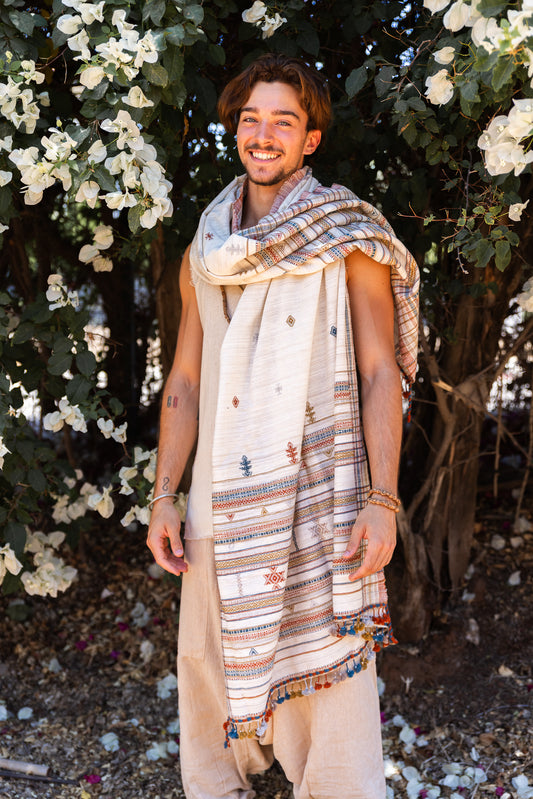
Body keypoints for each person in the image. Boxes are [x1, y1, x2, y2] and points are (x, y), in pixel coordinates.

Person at [147, 54, 419, 799]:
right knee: (206, 657)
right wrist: (164, 495)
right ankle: (218, 784)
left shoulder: (344, 235)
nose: (263, 134)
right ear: (236, 130)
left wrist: (383, 499)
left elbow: (380, 372)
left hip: (320, 488)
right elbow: (185, 380)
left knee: (330, 663)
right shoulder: (207, 246)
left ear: (310, 140)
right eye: (250, 119)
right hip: (220, 493)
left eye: (283, 121)